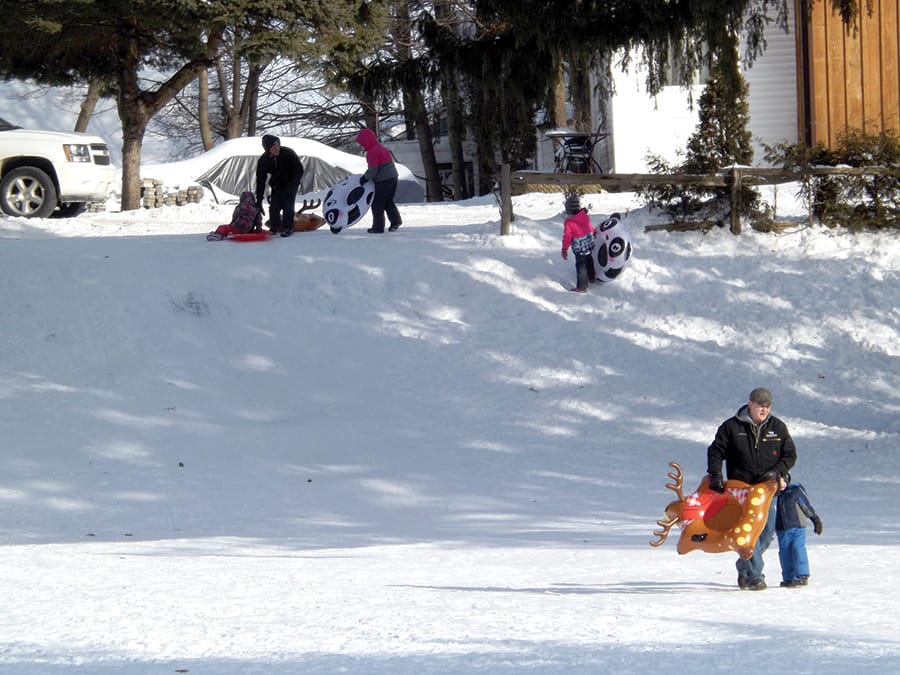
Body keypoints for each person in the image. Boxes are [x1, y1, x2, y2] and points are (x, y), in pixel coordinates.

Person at [707, 387, 797, 590]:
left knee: (766, 532)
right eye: (760, 405)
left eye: (767, 406)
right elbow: (715, 451)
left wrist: (776, 472)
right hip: (741, 489)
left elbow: (790, 455)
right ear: (750, 404)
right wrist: (716, 475)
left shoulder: (778, 427)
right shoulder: (731, 427)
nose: (764, 410)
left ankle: (744, 563)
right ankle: (756, 575)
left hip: (767, 489)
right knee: (750, 532)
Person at [776, 474, 822, 587]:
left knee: (798, 548)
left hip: (798, 527)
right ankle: (788, 578)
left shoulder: (795, 491)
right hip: (782, 529)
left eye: (783, 480)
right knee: (785, 552)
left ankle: (802, 575)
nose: (781, 484)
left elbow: (806, 506)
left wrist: (815, 519)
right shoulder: (773, 495)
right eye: (778, 481)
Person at [255, 134, 304, 237]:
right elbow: (260, 181)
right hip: (277, 184)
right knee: (274, 206)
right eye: (273, 147)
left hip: (291, 181)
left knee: (288, 204)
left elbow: (299, 170)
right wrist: (259, 200)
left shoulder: (288, 153)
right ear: (268, 149)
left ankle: (288, 227)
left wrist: (294, 184)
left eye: (277, 145)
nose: (277, 149)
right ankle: (274, 227)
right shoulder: (264, 160)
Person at [355, 128, 402, 234]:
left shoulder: (372, 152)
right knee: (388, 201)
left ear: (366, 141)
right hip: (393, 177)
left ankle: (378, 227)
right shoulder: (380, 148)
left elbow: (373, 170)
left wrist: (364, 178)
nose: (362, 145)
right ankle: (396, 221)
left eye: (362, 142)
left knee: (377, 204)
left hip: (384, 180)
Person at [560, 194, 596, 292]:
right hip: (589, 244)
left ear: (568, 209)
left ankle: (582, 287)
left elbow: (567, 237)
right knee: (589, 259)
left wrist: (564, 249)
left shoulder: (569, 222)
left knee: (581, 265)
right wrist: (594, 233)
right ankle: (592, 277)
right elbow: (590, 228)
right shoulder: (584, 216)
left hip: (580, 248)